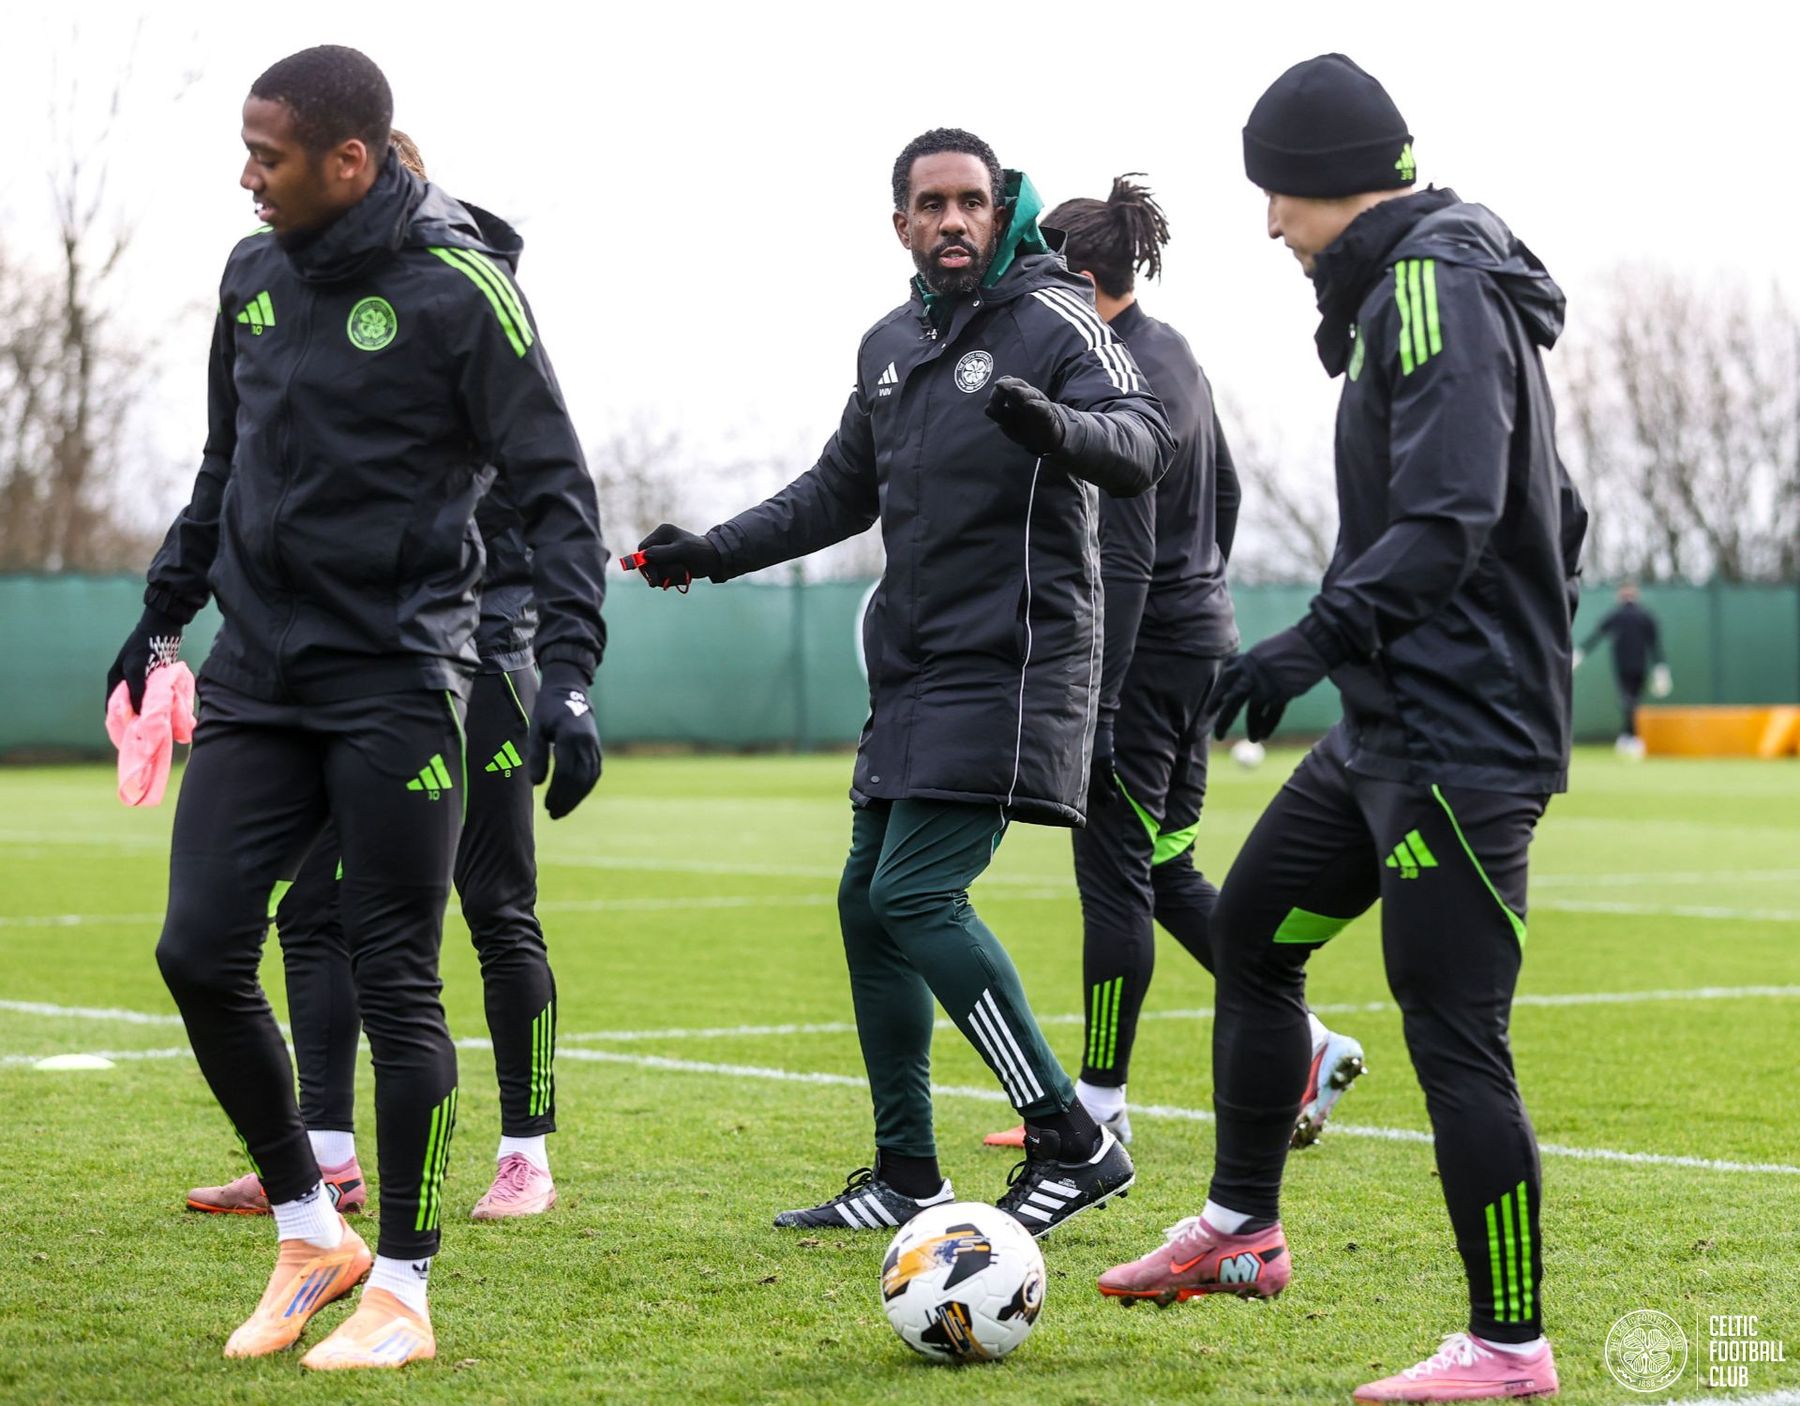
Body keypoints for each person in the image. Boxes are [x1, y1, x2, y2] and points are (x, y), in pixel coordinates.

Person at [1096, 56, 1587, 1405]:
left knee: (1453, 1033)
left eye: (1277, 195)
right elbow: (1553, 500)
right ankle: (1243, 1230)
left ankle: (1507, 1346)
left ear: (1327, 182)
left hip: (1457, 743)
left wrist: (1317, 638)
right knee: (1255, 936)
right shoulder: (1408, 294)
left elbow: (1452, 510)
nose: (1268, 226)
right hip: (1392, 727)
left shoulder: (1433, 281)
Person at [109, 47, 606, 1369]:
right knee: (198, 949)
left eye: (266, 155)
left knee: (398, 979)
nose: (245, 174)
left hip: (398, 681)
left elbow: (559, 495)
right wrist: (161, 613)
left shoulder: (464, 295)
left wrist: (568, 675)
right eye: (245, 149)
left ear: (349, 159)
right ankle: (306, 1221)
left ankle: (402, 1286)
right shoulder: (252, 277)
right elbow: (225, 468)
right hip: (261, 677)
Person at [629, 128, 1171, 1238]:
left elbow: (1144, 434)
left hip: (1017, 661)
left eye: (972, 200)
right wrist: (713, 549)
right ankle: (907, 1170)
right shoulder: (889, 344)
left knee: (917, 892)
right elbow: (838, 490)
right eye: (932, 204)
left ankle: (1072, 1134)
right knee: (864, 904)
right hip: (917, 665)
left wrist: (1054, 424)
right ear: (902, 225)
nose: (954, 220)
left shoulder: (1054, 314)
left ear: (996, 208)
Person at [183, 130, 565, 1228]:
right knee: (312, 906)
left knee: (494, 903)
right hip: (358, 672)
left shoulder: (468, 311)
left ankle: (526, 1146)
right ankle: (327, 1151)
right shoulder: (316, 322)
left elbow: (544, 501)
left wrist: (537, 654)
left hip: (481, 659)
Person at [981, 175, 1364, 1153]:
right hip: (1199, 639)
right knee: (1162, 865)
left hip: (1143, 655)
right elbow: (1226, 492)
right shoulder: (1176, 352)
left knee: (1112, 876)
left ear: (1075, 274)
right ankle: (1310, 1043)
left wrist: (1102, 700)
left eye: (1034, 272)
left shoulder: (1116, 372)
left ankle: (1099, 1106)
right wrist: (1205, 601)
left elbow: (1124, 553)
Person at [1575, 582, 1670, 756]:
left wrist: (1580, 653)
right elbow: (1655, 646)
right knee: (1632, 702)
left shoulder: (1620, 615)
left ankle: (1632, 738)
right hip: (1639, 666)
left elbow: (1596, 635)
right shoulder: (1645, 615)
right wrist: (1661, 668)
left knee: (1629, 701)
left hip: (1624, 666)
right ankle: (1628, 737)